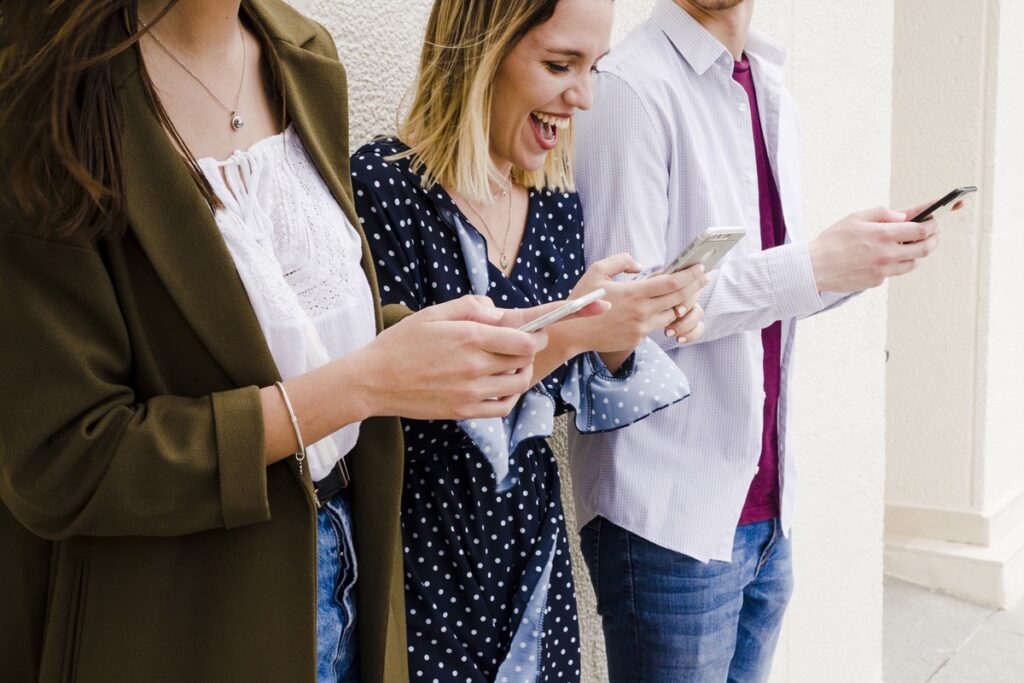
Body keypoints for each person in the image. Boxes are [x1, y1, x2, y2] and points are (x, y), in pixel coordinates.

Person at [0, 1, 588, 681]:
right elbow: (62, 462)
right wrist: (369, 381)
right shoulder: (43, 90)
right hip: (189, 619)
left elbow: (302, 337)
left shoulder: (303, 55)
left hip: (352, 573)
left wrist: (438, 345)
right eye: (561, 62)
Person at [570, 1, 946, 681]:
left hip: (768, 511)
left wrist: (861, 259)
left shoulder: (767, 84)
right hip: (669, 518)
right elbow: (623, 316)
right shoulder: (629, 87)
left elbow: (769, 294)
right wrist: (813, 263)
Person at [348, 0, 708, 680]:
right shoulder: (386, 187)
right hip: (422, 562)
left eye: (593, 67)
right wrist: (574, 330)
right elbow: (397, 403)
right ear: (480, 49)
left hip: (530, 559)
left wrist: (618, 333)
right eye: (559, 64)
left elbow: (554, 401)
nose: (585, 96)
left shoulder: (552, 201)